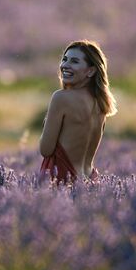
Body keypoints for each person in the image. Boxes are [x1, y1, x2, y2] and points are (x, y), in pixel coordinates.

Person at [39, 40, 117, 183]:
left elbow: (46, 150)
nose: (64, 65)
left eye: (74, 61)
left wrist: (47, 123)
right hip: (89, 180)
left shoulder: (61, 98)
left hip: (63, 179)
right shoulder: (101, 103)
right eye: (64, 59)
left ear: (91, 71)